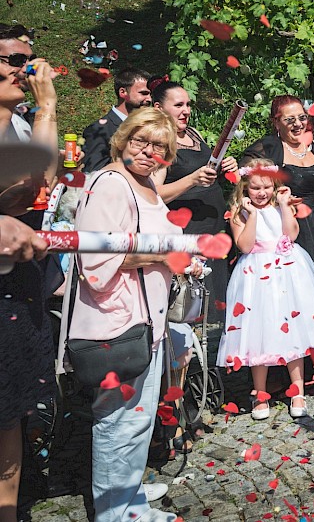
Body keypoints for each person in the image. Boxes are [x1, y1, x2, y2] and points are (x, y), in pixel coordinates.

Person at [68, 107, 184, 522]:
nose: (150, 151)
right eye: (142, 141)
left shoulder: (144, 185)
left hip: (145, 319)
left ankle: (128, 492)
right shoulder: (110, 183)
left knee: (136, 421)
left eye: (160, 146)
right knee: (118, 422)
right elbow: (95, 259)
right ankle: (115, 512)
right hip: (115, 321)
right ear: (124, 139)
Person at [216, 159, 314, 420]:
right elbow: (245, 246)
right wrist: (251, 214)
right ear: (245, 188)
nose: (261, 193)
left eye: (266, 187)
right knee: (258, 331)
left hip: (288, 271)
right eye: (255, 188)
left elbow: (292, 234)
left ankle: (297, 390)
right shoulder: (239, 212)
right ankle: (259, 392)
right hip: (255, 275)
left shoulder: (279, 206)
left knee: (292, 328)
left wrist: (285, 206)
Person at [242, 95, 314, 392]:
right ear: (277, 123)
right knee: (286, 302)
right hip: (287, 233)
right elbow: (248, 177)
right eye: (290, 120)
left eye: (302, 117)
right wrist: (275, 199)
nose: (298, 124)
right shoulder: (270, 147)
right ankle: (281, 377)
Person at [0, 23, 59, 522]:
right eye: (15, 60)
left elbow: (38, 183)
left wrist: (46, 110)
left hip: (14, 284)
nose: (27, 69)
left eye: (30, 59)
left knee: (11, 409)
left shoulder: (17, 123)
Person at [150, 81, 237, 321]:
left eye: (188, 104)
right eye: (178, 105)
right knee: (190, 309)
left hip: (214, 230)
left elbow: (204, 172)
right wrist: (191, 180)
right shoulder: (159, 141)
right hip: (187, 232)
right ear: (158, 108)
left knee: (217, 306)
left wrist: (224, 167)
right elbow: (154, 193)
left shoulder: (193, 134)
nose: (186, 110)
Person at [82, 67, 152, 173]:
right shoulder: (99, 130)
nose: (149, 99)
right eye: (143, 93)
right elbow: (94, 172)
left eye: (150, 94)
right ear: (123, 92)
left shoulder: (149, 126)